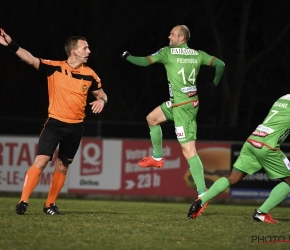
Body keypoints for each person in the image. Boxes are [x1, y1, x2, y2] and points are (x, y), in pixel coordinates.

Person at [0, 28, 108, 215]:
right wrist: (11, 45)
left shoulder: (90, 74)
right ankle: (23, 201)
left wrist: (102, 101)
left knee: (62, 166)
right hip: (54, 124)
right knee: (42, 160)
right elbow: (30, 59)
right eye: (85, 48)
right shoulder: (54, 67)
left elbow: (103, 95)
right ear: (74, 51)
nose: (89, 51)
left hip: (76, 127)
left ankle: (49, 205)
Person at [120, 25, 225, 204]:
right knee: (152, 119)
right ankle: (157, 157)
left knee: (189, 150)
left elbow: (144, 62)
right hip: (180, 102)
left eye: (172, 34)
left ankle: (202, 193)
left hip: (183, 107)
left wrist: (127, 57)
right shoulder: (198, 54)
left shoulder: (168, 52)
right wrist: (214, 84)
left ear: (181, 38)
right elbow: (220, 64)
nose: (169, 37)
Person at [187, 94, 290, 224]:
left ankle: (200, 202)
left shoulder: (283, 98)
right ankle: (261, 213)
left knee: (233, 178)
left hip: (252, 140)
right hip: (267, 146)